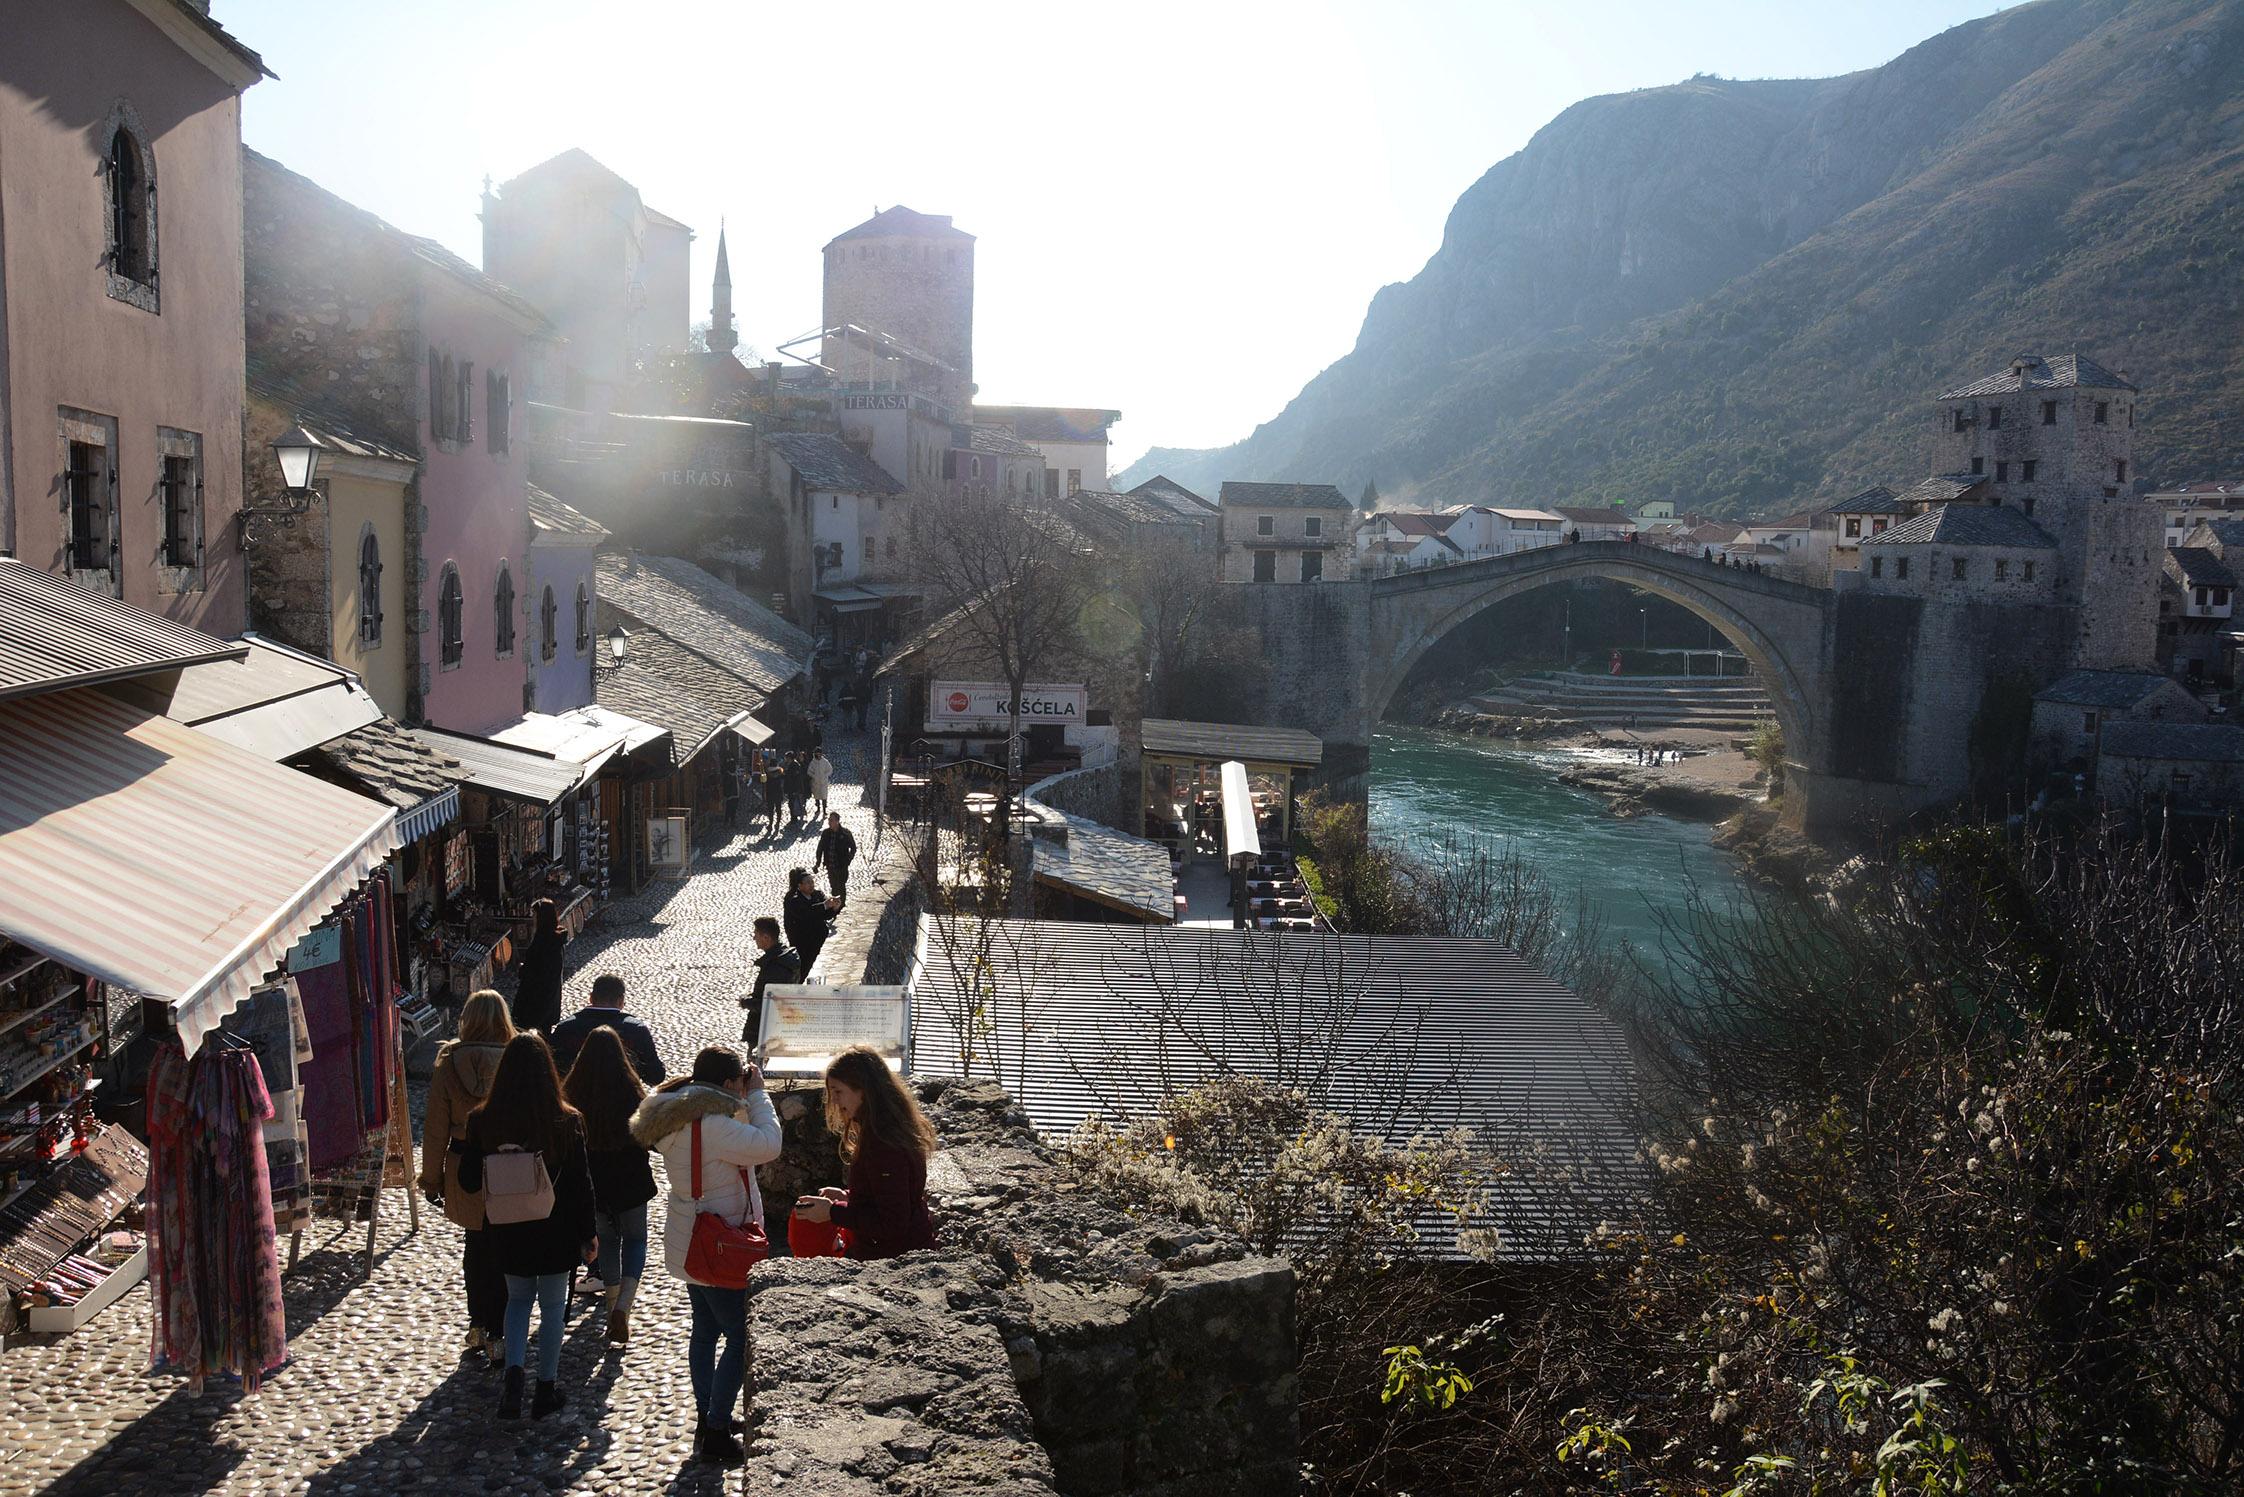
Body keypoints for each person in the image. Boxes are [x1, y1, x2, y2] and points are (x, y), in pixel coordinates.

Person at [630, 1047, 783, 1468]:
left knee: (705, 1330)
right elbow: (769, 1144)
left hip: (688, 1236)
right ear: (729, 1084)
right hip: (721, 1245)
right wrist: (759, 1096)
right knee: (738, 1335)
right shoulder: (714, 1124)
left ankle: (706, 1414)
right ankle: (716, 1429)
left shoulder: (675, 1116)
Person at [454, 1033, 596, 1421]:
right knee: (552, 1309)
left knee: (517, 1302)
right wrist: (588, 1233)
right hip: (555, 1229)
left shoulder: (481, 1120)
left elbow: (467, 1181)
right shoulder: (566, 1121)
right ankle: (545, 1388)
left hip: (507, 1229)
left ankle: (513, 1384)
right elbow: (581, 1183)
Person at [418, 990, 513, 1363]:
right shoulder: (514, 1059)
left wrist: (431, 1178)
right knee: (504, 1248)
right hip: (507, 1166)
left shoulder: (449, 1063)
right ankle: (498, 1331)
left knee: (475, 1248)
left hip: (463, 1165)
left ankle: (476, 1323)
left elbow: (435, 1128)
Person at [790, 1044, 937, 1260]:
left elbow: (892, 1222)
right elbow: (890, 1195)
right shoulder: (888, 1129)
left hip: (893, 1260)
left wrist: (832, 1212)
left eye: (838, 1092)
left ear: (863, 1091)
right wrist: (849, 1197)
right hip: (905, 1248)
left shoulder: (884, 1145)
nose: (835, 1101)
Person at [563, 1027, 656, 1348]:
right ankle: (623, 1307)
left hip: (593, 1185)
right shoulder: (631, 1090)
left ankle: (610, 1303)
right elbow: (649, 1135)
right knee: (635, 1241)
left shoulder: (572, 1091)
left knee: (608, 1243)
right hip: (630, 1181)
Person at [547, 972, 666, 1085]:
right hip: (623, 1102)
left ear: (591, 998)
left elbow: (551, 1070)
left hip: (576, 1100)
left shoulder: (566, 1027)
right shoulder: (635, 1030)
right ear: (621, 1001)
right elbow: (655, 1076)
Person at [511, 900, 569, 1034]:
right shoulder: (554, 940)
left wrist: (523, 969)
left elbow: (538, 970)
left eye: (535, 915)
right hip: (548, 996)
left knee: (526, 1031)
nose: (533, 918)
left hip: (535, 998)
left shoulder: (544, 941)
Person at [744, 916, 802, 1045]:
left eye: (756, 934)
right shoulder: (786, 957)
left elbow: (769, 1004)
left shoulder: (775, 966)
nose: (754, 938)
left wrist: (745, 1002)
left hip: (765, 1030)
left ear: (766, 938)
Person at [783, 866, 838, 975]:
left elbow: (825, 914)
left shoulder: (817, 895)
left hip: (819, 938)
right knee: (805, 968)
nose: (811, 884)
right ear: (799, 885)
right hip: (802, 941)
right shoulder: (794, 900)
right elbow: (806, 913)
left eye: (812, 881)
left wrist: (834, 908)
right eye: (808, 882)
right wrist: (824, 906)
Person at [816, 812, 858, 901]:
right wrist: (818, 863)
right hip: (830, 866)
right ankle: (835, 907)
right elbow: (820, 848)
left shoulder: (845, 833)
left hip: (841, 866)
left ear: (837, 821)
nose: (829, 822)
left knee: (841, 886)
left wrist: (848, 860)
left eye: (831, 820)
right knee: (833, 887)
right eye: (829, 820)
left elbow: (853, 848)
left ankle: (842, 904)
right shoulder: (826, 833)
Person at [807, 749, 834, 820]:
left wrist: (825, 775)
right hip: (816, 782)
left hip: (823, 782)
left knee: (824, 797)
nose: (818, 755)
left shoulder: (825, 762)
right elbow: (809, 771)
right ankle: (818, 808)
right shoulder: (813, 762)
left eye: (819, 753)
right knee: (817, 796)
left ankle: (824, 810)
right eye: (817, 753)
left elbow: (830, 769)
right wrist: (814, 776)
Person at [761, 760, 785, 838]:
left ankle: (770, 824)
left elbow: (763, 781)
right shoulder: (780, 772)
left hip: (770, 793)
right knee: (778, 808)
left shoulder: (767, 773)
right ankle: (777, 822)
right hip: (778, 793)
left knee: (770, 809)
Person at [785, 753, 810, 825]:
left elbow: (795, 779)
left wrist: (795, 790)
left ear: (789, 758)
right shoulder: (792, 765)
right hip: (792, 789)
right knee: (792, 803)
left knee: (793, 803)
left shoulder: (794, 766)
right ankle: (794, 817)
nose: (786, 759)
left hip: (793, 789)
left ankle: (794, 818)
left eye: (786, 758)